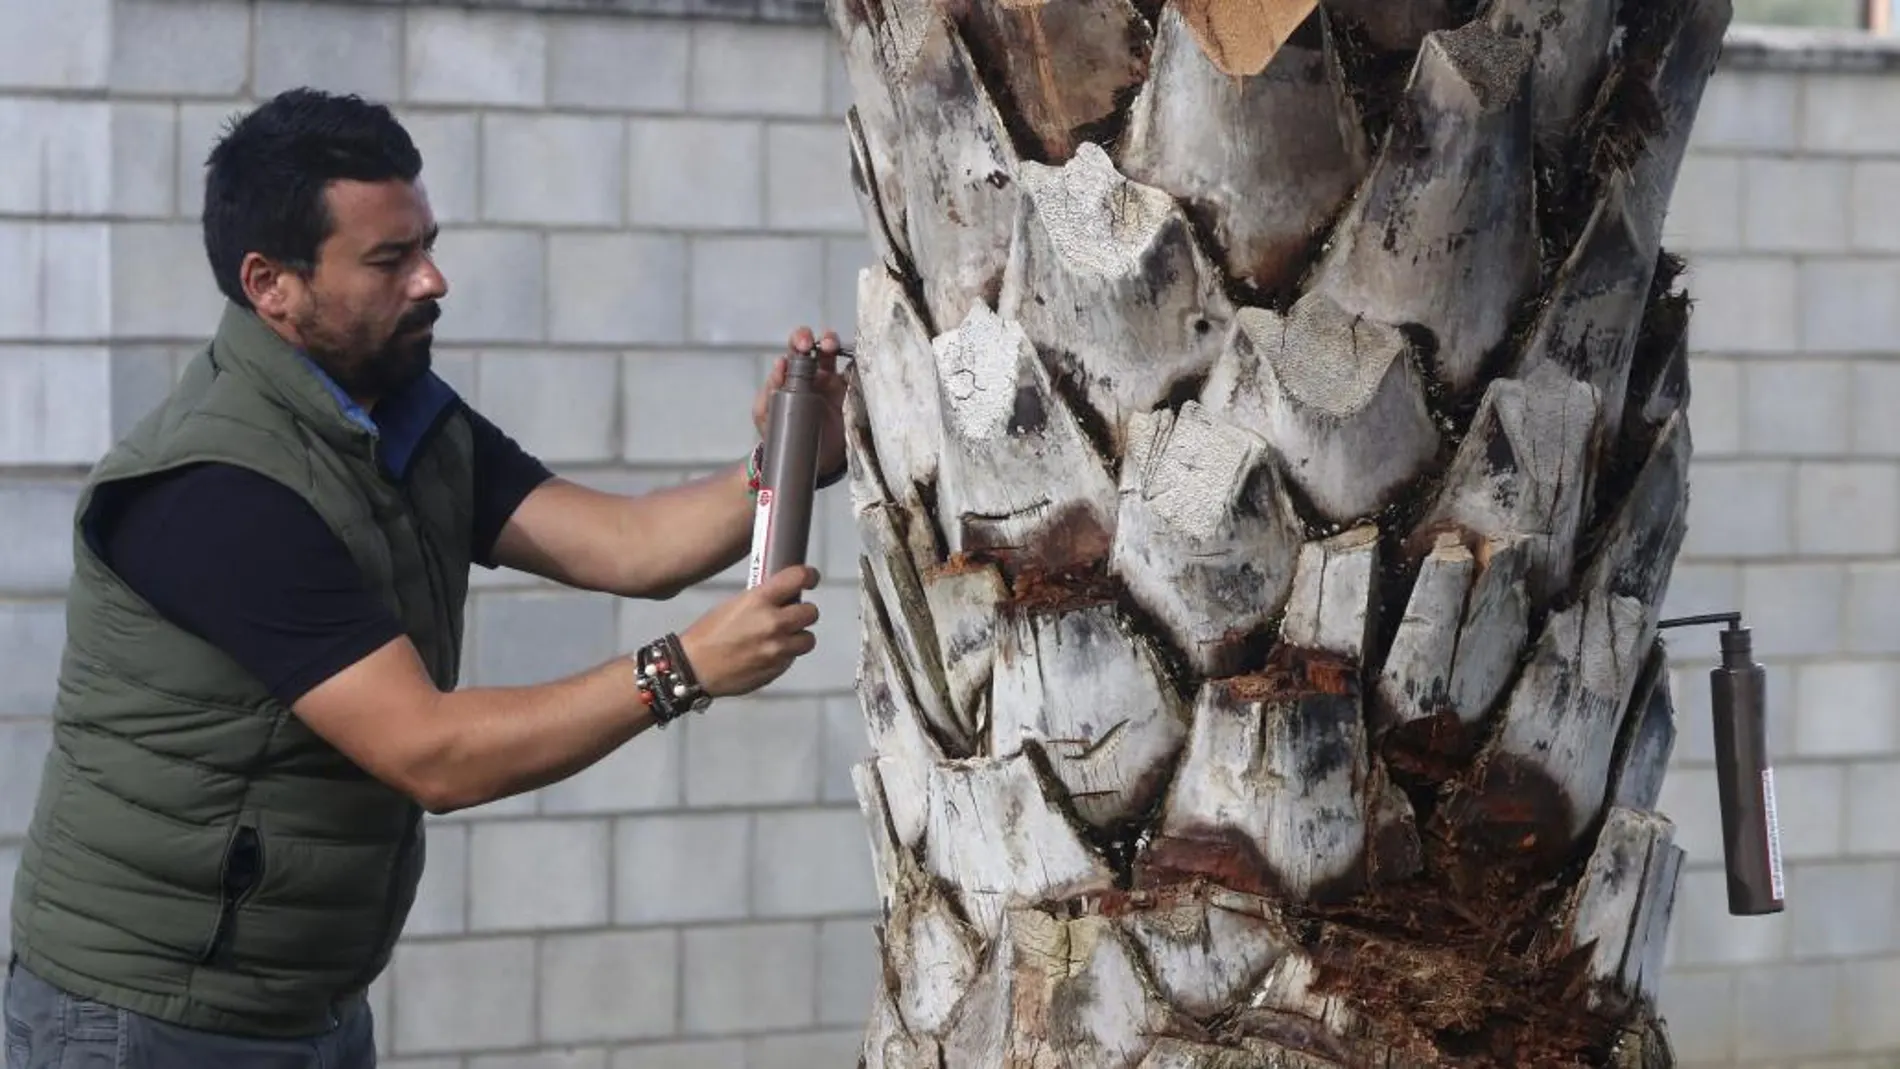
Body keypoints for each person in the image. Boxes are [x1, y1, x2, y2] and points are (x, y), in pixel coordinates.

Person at [1, 87, 848, 1068]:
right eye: (388, 259)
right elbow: (432, 753)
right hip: (145, 1022)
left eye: (426, 244)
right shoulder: (215, 488)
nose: (432, 279)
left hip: (311, 1005)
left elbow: (625, 545)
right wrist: (680, 670)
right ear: (270, 283)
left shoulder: (405, 418)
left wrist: (793, 462)